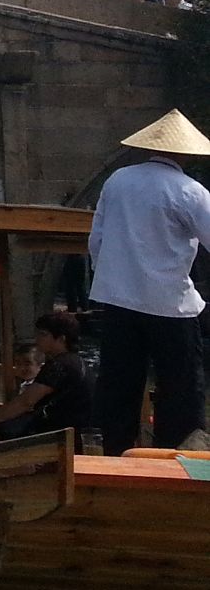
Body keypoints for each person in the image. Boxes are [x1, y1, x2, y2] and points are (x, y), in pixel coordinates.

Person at [89, 110, 210, 455]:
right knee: (181, 389)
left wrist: (110, 279)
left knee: (118, 385)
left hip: (118, 301)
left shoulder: (118, 180)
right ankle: (177, 456)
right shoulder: (189, 190)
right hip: (168, 304)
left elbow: (96, 240)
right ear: (185, 154)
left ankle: (114, 454)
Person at [0, 312, 95, 440]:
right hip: (71, 427)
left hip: (63, 431)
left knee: (0, 431)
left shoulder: (60, 364)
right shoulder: (75, 361)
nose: (37, 338)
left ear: (61, 339)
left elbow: (26, 401)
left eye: (43, 335)